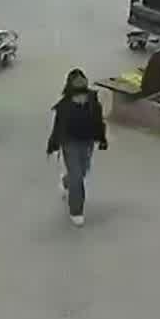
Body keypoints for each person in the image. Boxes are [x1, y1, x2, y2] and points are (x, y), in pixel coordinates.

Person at [46, 68, 107, 227]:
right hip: (70, 143)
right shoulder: (64, 106)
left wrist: (102, 139)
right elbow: (58, 127)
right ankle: (76, 211)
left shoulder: (93, 102)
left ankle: (65, 182)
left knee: (83, 170)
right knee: (77, 175)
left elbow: (99, 122)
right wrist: (53, 144)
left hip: (87, 142)